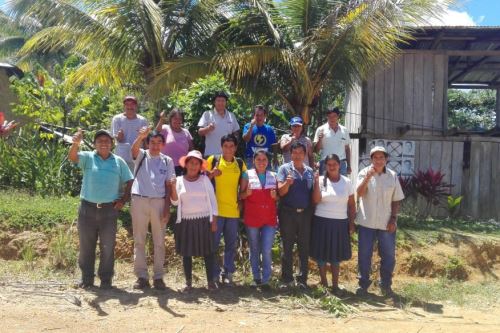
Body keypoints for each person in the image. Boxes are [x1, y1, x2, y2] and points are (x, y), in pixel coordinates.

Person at [68, 129, 133, 289]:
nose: (103, 143)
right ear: (95, 144)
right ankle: (87, 279)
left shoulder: (118, 161)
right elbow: (73, 157)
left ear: (112, 144)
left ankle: (105, 280)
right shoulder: (88, 157)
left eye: (107, 141)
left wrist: (123, 200)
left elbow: (130, 181)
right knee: (86, 246)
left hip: (109, 211)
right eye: (100, 141)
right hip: (87, 209)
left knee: (108, 246)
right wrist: (75, 144)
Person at [130, 127, 175, 290]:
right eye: (152, 142)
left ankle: (158, 277)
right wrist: (140, 136)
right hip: (139, 200)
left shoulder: (167, 161)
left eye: (159, 143)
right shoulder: (142, 155)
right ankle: (141, 276)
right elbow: (133, 150)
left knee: (159, 241)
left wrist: (167, 207)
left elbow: (169, 185)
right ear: (147, 143)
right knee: (139, 240)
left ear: (163, 145)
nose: (155, 146)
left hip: (159, 202)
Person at [356, 146, 405, 297]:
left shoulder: (392, 175)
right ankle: (363, 285)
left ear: (386, 159)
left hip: (386, 223)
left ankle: (386, 285)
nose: (378, 160)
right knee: (364, 255)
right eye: (375, 157)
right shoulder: (363, 173)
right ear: (371, 160)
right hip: (367, 222)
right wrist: (368, 177)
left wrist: (393, 219)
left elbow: (396, 200)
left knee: (389, 255)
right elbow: (359, 193)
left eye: (381, 157)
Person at [170, 150, 218, 291]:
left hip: (204, 221)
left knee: (208, 252)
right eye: (191, 163)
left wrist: (214, 221)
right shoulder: (178, 181)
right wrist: (172, 187)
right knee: (187, 253)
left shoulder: (205, 180)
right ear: (186, 164)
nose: (193, 166)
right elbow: (174, 203)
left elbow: (213, 202)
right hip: (185, 221)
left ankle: (210, 282)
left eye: (196, 163)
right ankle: (188, 283)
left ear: (200, 166)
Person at [311, 154, 356, 294]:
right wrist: (316, 181)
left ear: (339, 165)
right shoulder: (319, 181)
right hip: (321, 221)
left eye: (334, 164)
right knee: (321, 255)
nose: (331, 167)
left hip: (340, 223)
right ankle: (324, 283)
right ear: (325, 166)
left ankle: (335, 285)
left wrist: (351, 223)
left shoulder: (347, 182)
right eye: (328, 164)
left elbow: (352, 205)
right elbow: (316, 200)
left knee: (335, 256)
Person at [206, 134, 247, 285]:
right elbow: (200, 179)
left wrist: (242, 200)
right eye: (225, 146)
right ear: (221, 147)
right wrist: (211, 174)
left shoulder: (240, 163)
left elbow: (244, 184)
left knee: (231, 244)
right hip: (216, 212)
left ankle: (228, 272)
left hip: (233, 212)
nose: (228, 149)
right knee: (214, 244)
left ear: (235, 148)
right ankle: (214, 274)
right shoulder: (213, 160)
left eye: (231, 146)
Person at [277, 141, 314, 288]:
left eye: (301, 153)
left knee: (304, 247)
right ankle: (287, 279)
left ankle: (302, 280)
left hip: (305, 214)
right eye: (295, 152)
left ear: (305, 155)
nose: (298, 155)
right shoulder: (284, 169)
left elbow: (312, 193)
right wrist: (287, 183)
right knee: (287, 246)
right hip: (288, 213)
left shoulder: (310, 171)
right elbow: (280, 191)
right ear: (291, 154)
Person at [239, 149, 278, 288]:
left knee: (266, 249)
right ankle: (256, 277)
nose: (261, 162)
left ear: (268, 162)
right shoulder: (246, 174)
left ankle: (266, 279)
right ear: (253, 161)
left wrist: (276, 197)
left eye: (264, 160)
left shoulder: (274, 175)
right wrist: (246, 193)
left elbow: (278, 197)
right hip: (252, 217)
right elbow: (240, 196)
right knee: (254, 248)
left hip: (269, 218)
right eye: (258, 160)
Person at [111, 95, 148, 170]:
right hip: (121, 157)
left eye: (132, 104)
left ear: (136, 106)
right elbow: (116, 139)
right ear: (124, 106)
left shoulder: (142, 120)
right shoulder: (117, 119)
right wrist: (119, 136)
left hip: (138, 157)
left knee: (137, 180)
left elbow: (145, 140)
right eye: (127, 104)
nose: (130, 107)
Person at [198, 91, 240, 157]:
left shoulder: (231, 115)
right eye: (218, 100)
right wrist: (208, 128)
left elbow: (236, 133)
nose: (220, 103)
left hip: (227, 155)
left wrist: (234, 148)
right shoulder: (207, 114)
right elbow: (200, 132)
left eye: (223, 100)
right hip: (210, 155)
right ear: (214, 102)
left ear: (226, 102)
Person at [313, 107, 351, 175]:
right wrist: (320, 140)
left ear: (338, 116)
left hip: (341, 163)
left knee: (342, 185)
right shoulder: (320, 129)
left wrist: (349, 165)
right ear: (327, 117)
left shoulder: (344, 130)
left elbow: (347, 149)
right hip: (325, 163)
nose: (332, 118)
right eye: (329, 116)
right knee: (325, 185)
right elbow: (316, 151)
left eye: (334, 116)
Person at [155, 108, 193, 176]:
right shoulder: (165, 128)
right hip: (166, 165)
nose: (177, 121)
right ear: (171, 119)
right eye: (175, 118)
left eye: (180, 119)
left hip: (182, 166)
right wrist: (161, 119)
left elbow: (191, 149)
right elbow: (156, 131)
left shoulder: (186, 132)